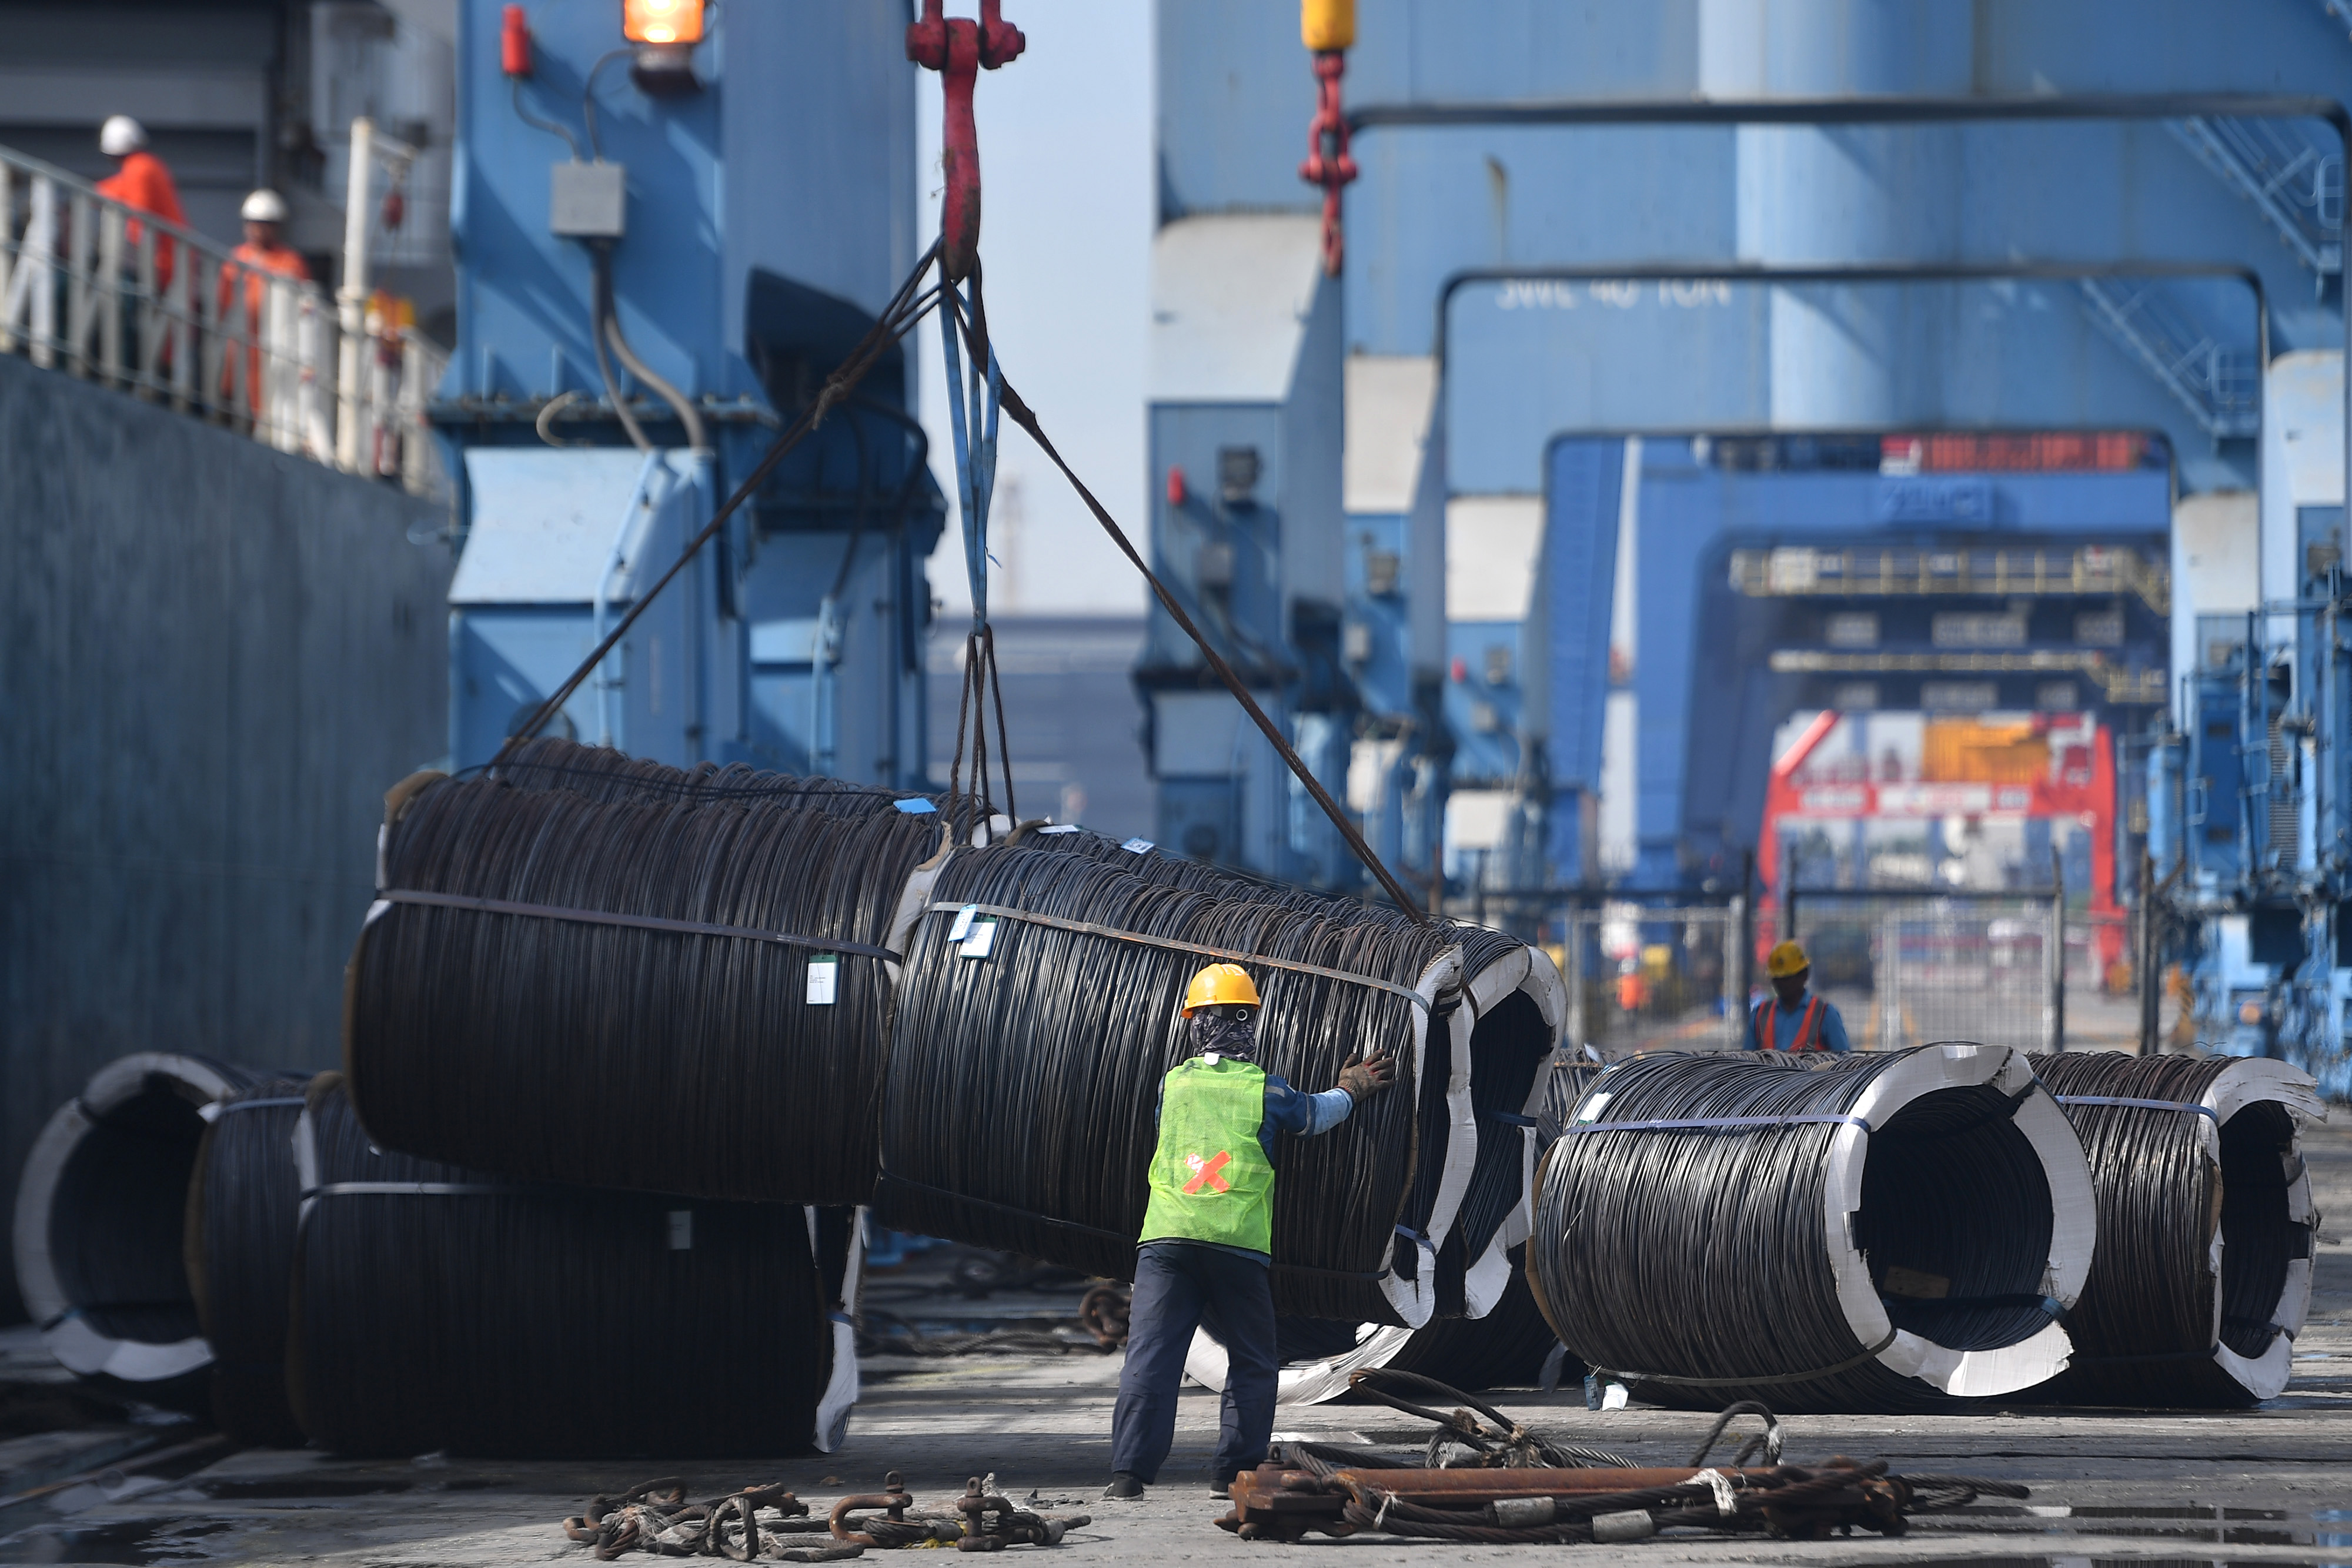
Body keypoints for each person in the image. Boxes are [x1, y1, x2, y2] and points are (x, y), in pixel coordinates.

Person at [1103, 963, 1395, 1502]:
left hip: (1166, 1241)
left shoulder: (1173, 1083)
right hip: (1236, 1246)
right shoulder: (1266, 1090)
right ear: (1250, 1024)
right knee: (1253, 1361)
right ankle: (1233, 1472)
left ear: (1195, 1022)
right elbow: (1314, 1115)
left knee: (1151, 1358)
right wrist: (1353, 1088)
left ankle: (1128, 1475)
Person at [218, 190, 311, 414]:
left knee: (270, 400)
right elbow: (223, 301)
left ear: (276, 227)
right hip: (240, 343)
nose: (257, 230)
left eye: (264, 224)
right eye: (252, 224)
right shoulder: (237, 258)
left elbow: (303, 306)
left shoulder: (290, 262)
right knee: (235, 395)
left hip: (275, 344)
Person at [94, 116, 186, 293]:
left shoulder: (139, 170)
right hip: (172, 257)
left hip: (162, 260)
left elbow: (139, 216)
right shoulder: (147, 165)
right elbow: (116, 188)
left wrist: (137, 252)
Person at [1745, 940, 1852, 1054]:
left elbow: (1843, 1060)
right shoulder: (1760, 1014)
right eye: (1777, 978)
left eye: (1787, 978)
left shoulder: (1825, 1015)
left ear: (1804, 975)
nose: (1781, 984)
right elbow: (1746, 1059)